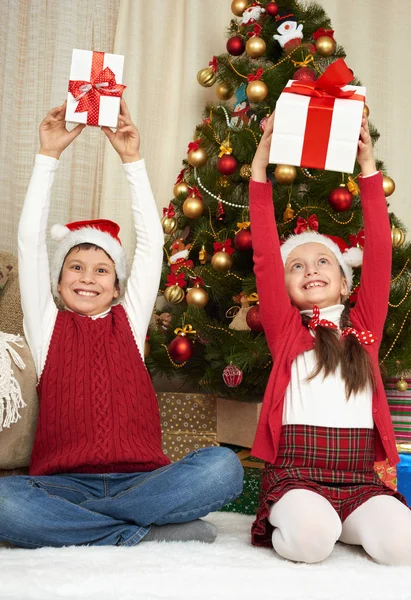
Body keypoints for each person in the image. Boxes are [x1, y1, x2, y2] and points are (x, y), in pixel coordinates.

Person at [0, 100, 243, 549]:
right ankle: (142, 532)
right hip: (65, 485)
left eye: (101, 270)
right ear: (56, 282)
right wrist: (48, 156)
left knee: (223, 468)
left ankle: (92, 528)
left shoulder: (128, 322)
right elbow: (29, 243)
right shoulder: (47, 324)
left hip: (144, 480)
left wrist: (132, 160)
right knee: (3, 502)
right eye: (75, 267)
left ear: (117, 288)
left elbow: (153, 246)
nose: (87, 278)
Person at [248, 111, 411, 565]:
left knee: (402, 547)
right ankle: (308, 520)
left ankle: (342, 522)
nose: (311, 270)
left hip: (360, 477)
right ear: (284, 287)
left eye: (324, 262)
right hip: (299, 474)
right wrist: (260, 164)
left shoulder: (364, 330)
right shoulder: (287, 331)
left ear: (344, 282)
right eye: (296, 266)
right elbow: (264, 249)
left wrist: (368, 168)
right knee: (310, 543)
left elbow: (379, 253)